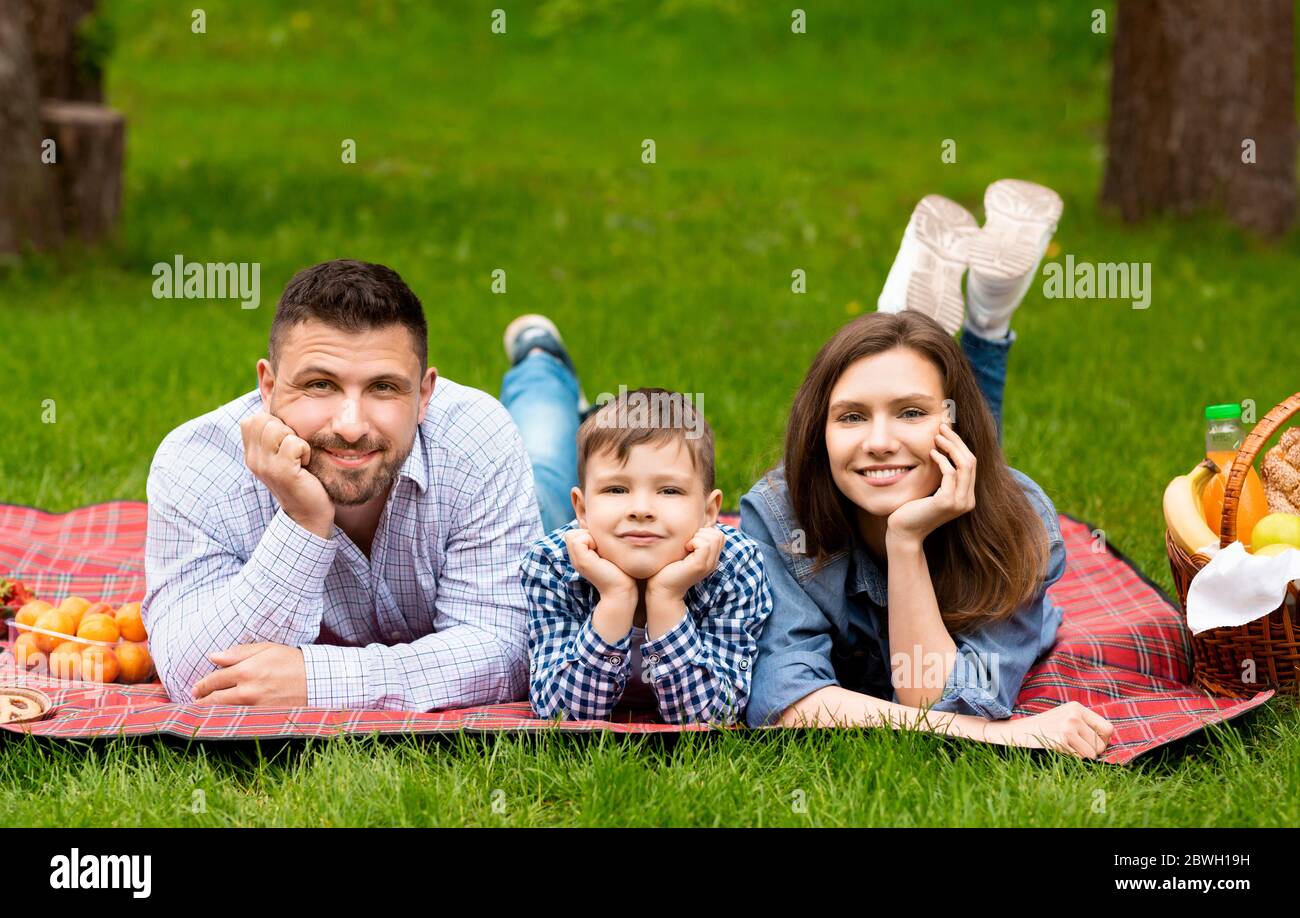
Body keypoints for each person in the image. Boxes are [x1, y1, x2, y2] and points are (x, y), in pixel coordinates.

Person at [742, 180, 1116, 759]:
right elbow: (787, 701)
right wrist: (999, 735)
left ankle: (981, 318)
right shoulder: (778, 516)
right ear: (817, 433)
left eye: (910, 412)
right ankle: (973, 318)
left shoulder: (1021, 524)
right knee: (920, 425)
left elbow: (936, 698)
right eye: (850, 417)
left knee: (970, 452)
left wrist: (907, 540)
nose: (879, 441)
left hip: (973, 490)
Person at [143, 259, 542, 710]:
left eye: (384, 388)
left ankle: (540, 362)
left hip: (529, 488)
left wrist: (320, 681)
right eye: (320, 385)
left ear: (424, 396)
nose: (351, 427)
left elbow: (509, 649)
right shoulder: (195, 464)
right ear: (268, 387)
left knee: (547, 455)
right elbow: (194, 678)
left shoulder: (478, 440)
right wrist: (303, 521)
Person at [517, 387, 773, 725]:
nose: (640, 509)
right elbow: (561, 713)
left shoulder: (735, 566)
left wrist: (666, 596)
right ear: (581, 508)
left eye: (669, 490)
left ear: (711, 511)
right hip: (548, 515)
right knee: (540, 460)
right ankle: (540, 360)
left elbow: (712, 716)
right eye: (616, 489)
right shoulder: (551, 564)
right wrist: (615, 597)